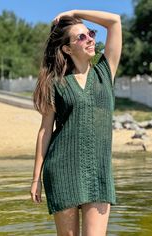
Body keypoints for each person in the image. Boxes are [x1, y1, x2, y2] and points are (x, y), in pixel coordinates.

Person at [31, 10, 122, 236]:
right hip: (63, 171)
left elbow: (115, 22)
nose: (90, 38)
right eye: (81, 37)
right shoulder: (56, 83)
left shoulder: (105, 71)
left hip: (99, 172)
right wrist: (35, 179)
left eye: (90, 33)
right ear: (67, 49)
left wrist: (75, 13)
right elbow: (45, 131)